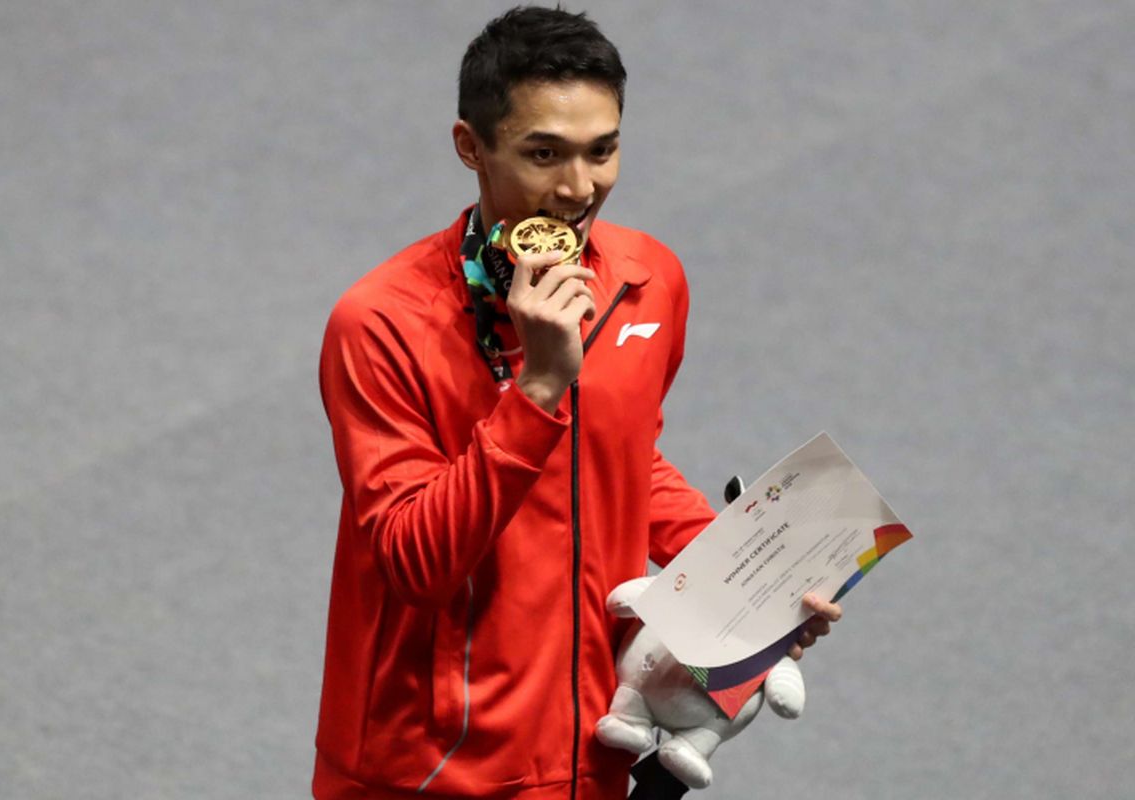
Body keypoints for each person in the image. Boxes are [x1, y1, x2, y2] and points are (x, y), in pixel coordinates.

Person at [313, 7, 840, 799]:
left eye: (604, 151)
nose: (577, 189)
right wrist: (539, 387)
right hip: (426, 770)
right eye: (543, 155)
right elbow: (414, 562)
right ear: (470, 147)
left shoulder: (648, 280)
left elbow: (622, 458)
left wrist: (743, 575)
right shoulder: (380, 324)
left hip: (590, 751)